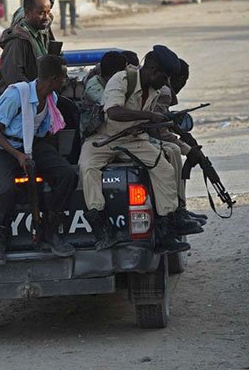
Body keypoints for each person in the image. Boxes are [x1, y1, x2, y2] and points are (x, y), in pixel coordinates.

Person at [78, 45, 203, 253]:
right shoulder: (122, 80)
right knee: (88, 169)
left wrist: (164, 121)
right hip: (103, 138)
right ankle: (101, 228)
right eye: (164, 78)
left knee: (163, 170)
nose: (165, 85)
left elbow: (148, 121)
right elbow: (114, 112)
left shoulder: (154, 90)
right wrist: (149, 116)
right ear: (153, 70)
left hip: (134, 139)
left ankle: (166, 230)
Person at [0, 54, 78, 265]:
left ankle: (50, 229)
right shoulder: (18, 95)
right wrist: (18, 156)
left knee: (67, 175)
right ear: (52, 79)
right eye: (63, 77)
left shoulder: (50, 98)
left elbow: (45, 132)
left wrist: (48, 160)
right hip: (5, 148)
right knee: (7, 188)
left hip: (32, 144)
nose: (65, 81)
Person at [148, 59, 208, 224]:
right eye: (183, 80)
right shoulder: (164, 92)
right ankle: (177, 210)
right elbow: (159, 130)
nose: (182, 85)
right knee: (173, 151)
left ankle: (178, 209)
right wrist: (187, 149)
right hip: (146, 139)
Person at [0, 0, 52, 93]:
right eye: (41, 13)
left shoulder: (40, 32)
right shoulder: (17, 40)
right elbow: (14, 78)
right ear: (27, 13)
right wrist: (38, 92)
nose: (46, 17)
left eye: (48, 12)